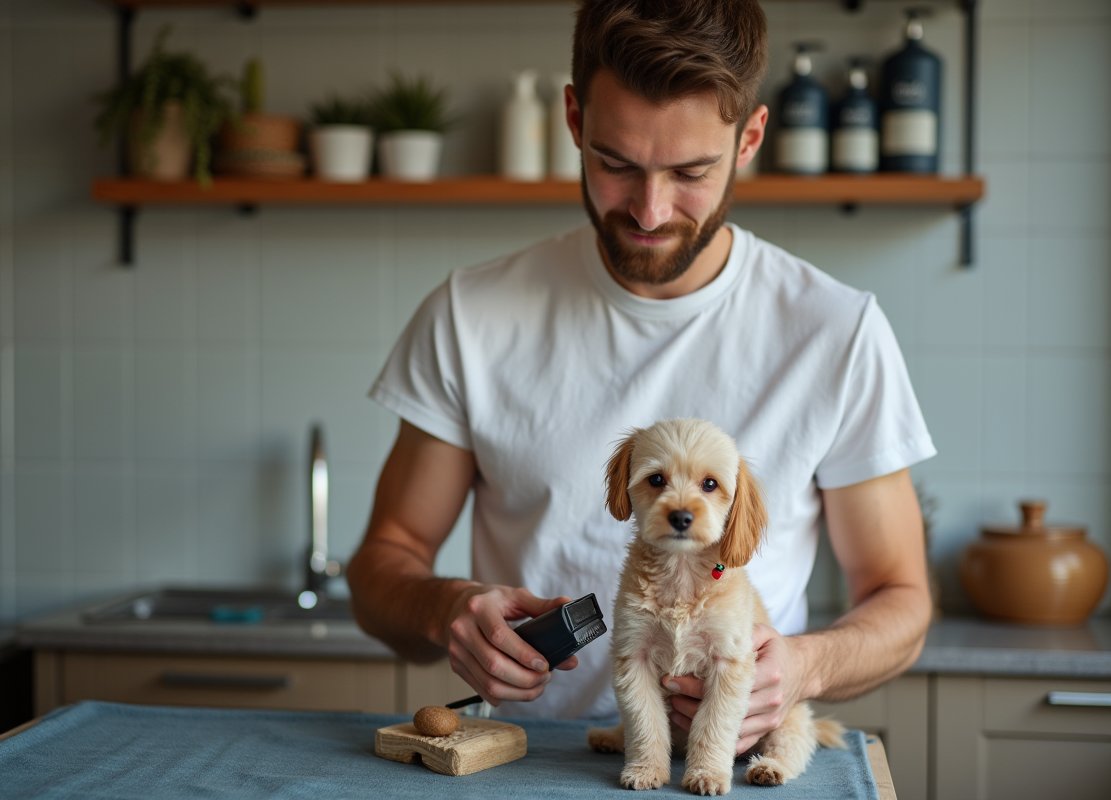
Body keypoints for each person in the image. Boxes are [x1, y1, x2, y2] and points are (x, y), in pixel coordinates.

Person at [348, 0, 934, 755]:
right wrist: (445, 609)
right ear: (573, 119)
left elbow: (901, 599)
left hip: (727, 767)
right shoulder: (469, 317)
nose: (651, 212)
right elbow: (381, 566)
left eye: (691, 172)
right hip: (527, 762)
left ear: (750, 138)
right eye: (616, 163)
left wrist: (803, 669)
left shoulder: (837, 332)